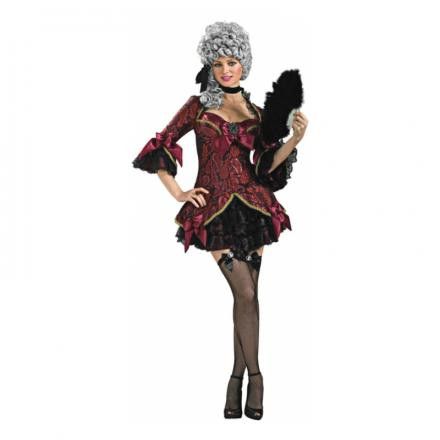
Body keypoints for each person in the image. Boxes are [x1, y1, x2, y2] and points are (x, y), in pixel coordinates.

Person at [132, 21, 308, 420]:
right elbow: (161, 144)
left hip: (255, 209)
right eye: (218, 62)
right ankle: (257, 378)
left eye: (232, 61)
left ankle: (236, 379)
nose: (226, 69)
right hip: (214, 212)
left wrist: (295, 140)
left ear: (244, 63)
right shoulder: (197, 107)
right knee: (245, 293)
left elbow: (266, 166)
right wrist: (179, 192)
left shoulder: (256, 112)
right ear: (209, 65)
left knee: (247, 297)